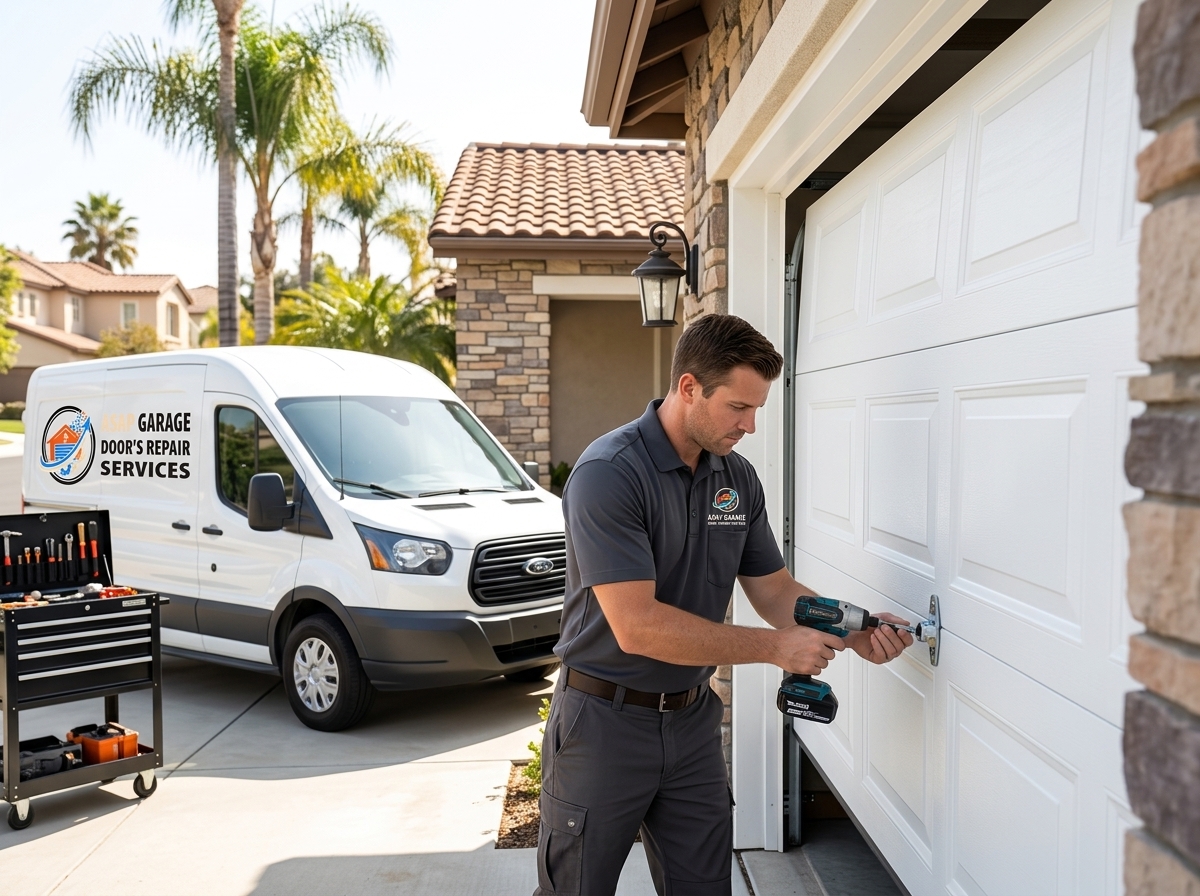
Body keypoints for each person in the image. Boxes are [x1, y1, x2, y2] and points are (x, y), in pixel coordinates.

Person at [533, 314, 913, 896]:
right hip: (602, 724)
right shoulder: (609, 474)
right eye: (739, 407)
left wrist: (855, 630)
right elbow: (636, 627)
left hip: (690, 725)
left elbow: (775, 591)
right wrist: (775, 649)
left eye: (757, 408)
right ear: (690, 389)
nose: (752, 425)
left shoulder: (735, 481)